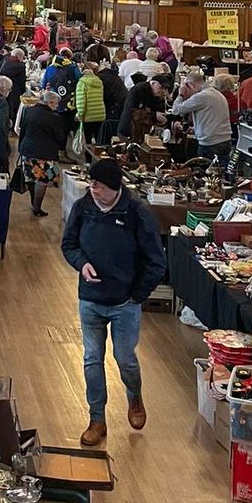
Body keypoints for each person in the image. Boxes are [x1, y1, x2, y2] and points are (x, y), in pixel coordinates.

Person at [60, 158, 165, 447]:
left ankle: (135, 397)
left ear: (115, 187)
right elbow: (68, 244)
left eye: (99, 186)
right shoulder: (84, 208)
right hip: (90, 301)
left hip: (125, 304)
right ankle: (97, 419)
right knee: (92, 359)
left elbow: (156, 261)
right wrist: (81, 264)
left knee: (125, 358)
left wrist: (136, 295)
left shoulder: (136, 214)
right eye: (91, 184)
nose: (93, 189)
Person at [17, 89, 66, 216]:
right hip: (45, 153)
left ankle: (33, 202)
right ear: (50, 103)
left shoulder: (28, 110)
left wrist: (20, 148)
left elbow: (22, 129)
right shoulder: (54, 118)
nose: (57, 106)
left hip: (27, 149)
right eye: (56, 104)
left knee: (30, 177)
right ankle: (37, 207)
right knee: (42, 180)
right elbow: (60, 137)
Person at [171, 70, 234, 163]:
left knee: (206, 175)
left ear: (191, 85)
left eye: (187, 89)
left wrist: (181, 94)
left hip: (210, 143)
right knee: (222, 173)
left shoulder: (201, 96)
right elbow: (211, 117)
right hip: (225, 140)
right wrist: (196, 128)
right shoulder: (217, 93)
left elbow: (176, 110)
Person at [118, 73, 167, 142]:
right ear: (153, 84)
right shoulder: (138, 90)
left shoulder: (157, 95)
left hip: (144, 132)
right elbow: (132, 111)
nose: (163, 91)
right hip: (129, 129)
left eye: (165, 89)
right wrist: (154, 115)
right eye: (161, 87)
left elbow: (159, 111)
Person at [74, 61, 107, 145]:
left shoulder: (81, 83)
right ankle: (100, 156)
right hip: (100, 114)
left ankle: (88, 158)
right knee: (98, 138)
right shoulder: (99, 82)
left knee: (88, 140)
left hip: (88, 116)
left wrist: (79, 114)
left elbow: (81, 101)